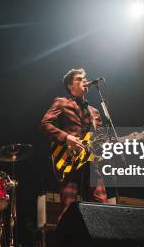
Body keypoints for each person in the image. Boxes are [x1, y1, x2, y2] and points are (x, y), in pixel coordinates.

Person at [40, 68, 108, 221]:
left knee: (102, 206)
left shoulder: (94, 112)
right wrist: (66, 138)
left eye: (85, 78)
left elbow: (102, 138)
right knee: (68, 209)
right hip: (69, 162)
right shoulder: (62, 103)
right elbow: (45, 124)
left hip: (91, 163)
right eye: (79, 79)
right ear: (70, 86)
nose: (84, 80)